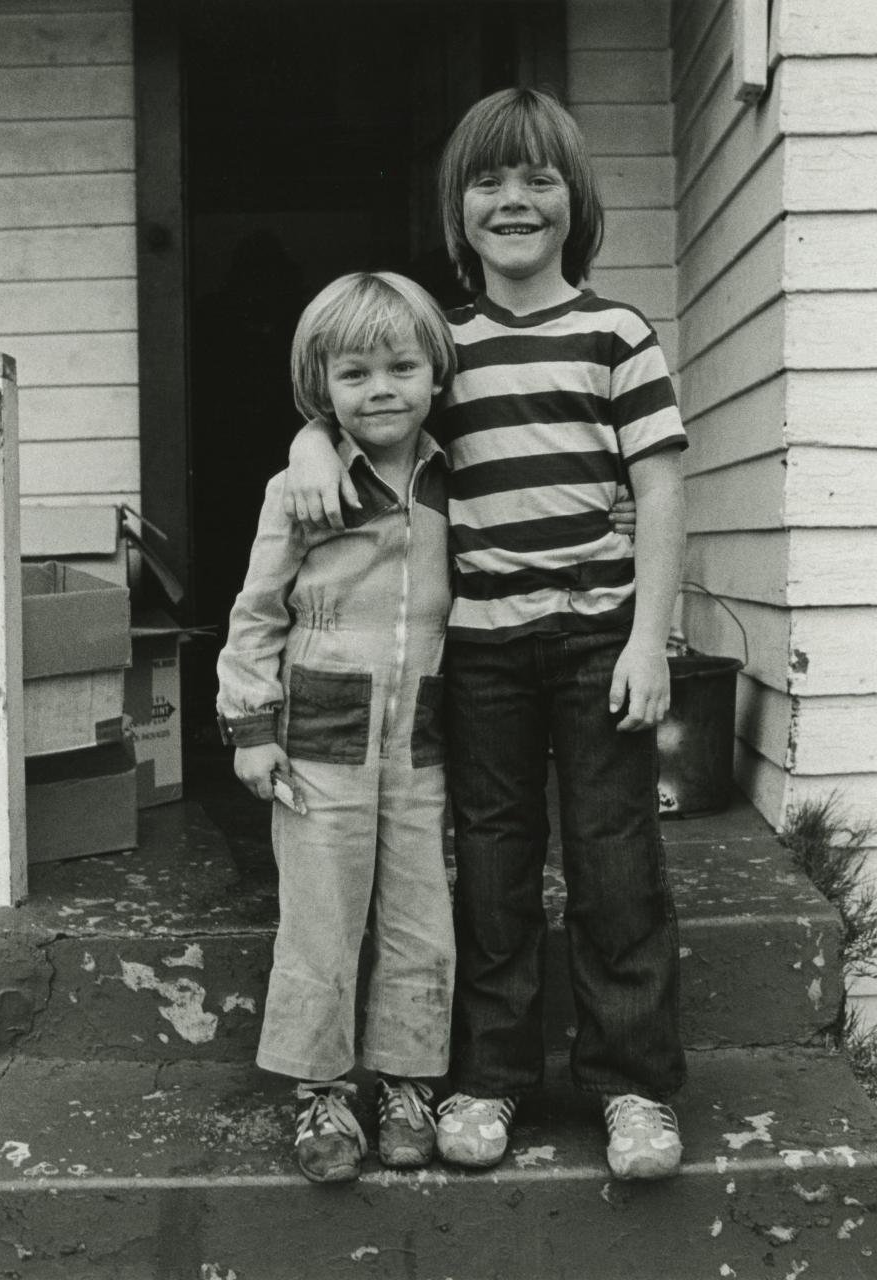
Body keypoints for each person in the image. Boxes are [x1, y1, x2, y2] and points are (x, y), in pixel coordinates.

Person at [284, 88, 688, 1181]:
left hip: (602, 639)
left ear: (577, 199)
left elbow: (656, 494)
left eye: (538, 178)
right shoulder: (444, 348)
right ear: (457, 209)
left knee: (615, 863)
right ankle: (490, 1076)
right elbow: (371, 399)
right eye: (489, 181)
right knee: (494, 866)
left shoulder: (618, 333)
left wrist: (652, 637)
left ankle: (632, 1083)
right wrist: (311, 444)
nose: (514, 199)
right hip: (484, 654)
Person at [216, 271, 458, 1184]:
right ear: (321, 388)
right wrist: (250, 723)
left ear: (436, 372)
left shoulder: (450, 474)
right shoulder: (303, 487)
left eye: (401, 367)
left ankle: (404, 1082)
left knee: (419, 916)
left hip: (421, 732)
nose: (381, 389)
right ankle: (321, 1092)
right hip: (319, 732)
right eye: (353, 375)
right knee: (321, 917)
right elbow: (256, 610)